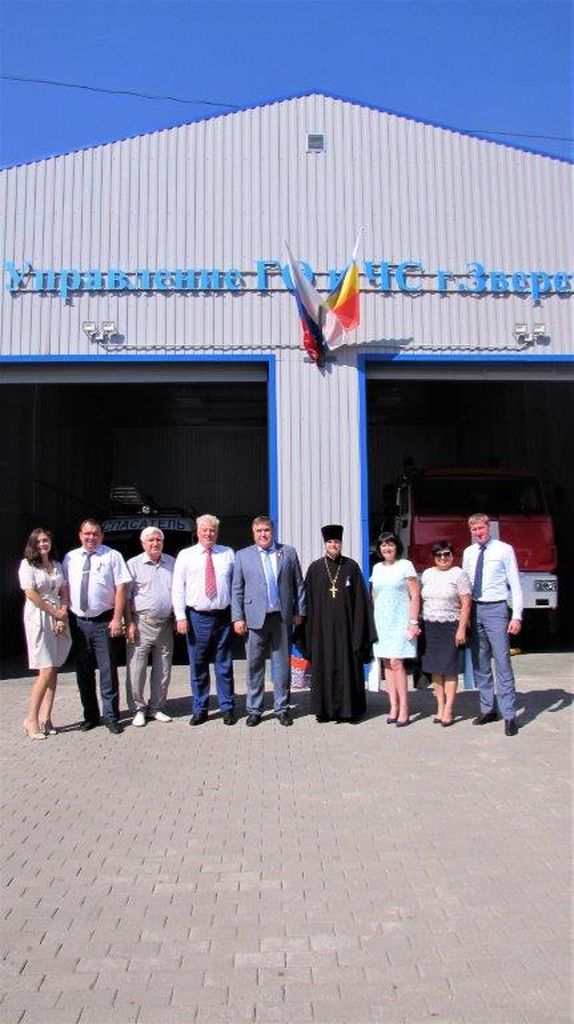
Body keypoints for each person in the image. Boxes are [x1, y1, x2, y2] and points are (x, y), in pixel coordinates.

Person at [232, 515, 305, 727]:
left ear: (272, 532)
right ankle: (254, 710)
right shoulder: (242, 556)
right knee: (254, 666)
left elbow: (298, 584)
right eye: (259, 531)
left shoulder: (288, 552)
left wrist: (300, 611)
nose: (263, 534)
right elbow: (237, 589)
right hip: (254, 620)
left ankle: (282, 708)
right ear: (253, 533)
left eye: (266, 530)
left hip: (281, 618)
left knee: (282, 666)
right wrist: (237, 617)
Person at [63, 518, 131, 735]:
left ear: (101, 536)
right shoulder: (70, 558)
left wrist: (117, 619)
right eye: (87, 533)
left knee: (107, 671)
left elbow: (121, 589)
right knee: (83, 672)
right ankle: (90, 716)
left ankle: (111, 716)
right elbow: (64, 588)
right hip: (78, 622)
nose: (91, 537)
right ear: (80, 535)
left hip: (104, 621)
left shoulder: (112, 556)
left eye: (95, 534)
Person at [305, 524, 376, 723]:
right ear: (325, 544)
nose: (333, 545)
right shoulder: (315, 568)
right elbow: (307, 602)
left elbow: (361, 601)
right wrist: (306, 627)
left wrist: (360, 630)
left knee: (348, 666)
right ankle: (324, 710)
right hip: (322, 631)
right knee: (324, 666)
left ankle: (350, 711)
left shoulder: (351, 567)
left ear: (341, 544)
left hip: (347, 630)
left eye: (336, 542)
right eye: (330, 542)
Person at [462, 513, 522, 736]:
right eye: (474, 529)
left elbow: (515, 583)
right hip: (475, 609)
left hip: (496, 608)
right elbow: (465, 584)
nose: (478, 532)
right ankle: (488, 709)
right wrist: (464, 616)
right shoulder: (469, 552)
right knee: (480, 662)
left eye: (481, 528)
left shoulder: (504, 550)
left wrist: (517, 615)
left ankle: (509, 715)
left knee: (502, 662)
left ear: (489, 527)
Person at [172, 514, 236, 726]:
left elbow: (236, 586)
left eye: (212, 530)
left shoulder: (227, 553)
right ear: (197, 532)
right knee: (198, 665)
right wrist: (180, 617)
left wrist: (237, 616)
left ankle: (227, 707)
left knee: (224, 665)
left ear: (217, 533)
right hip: (196, 617)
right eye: (205, 530)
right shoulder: (186, 555)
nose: (208, 534)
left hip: (223, 616)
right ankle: (200, 709)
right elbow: (177, 588)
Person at [18, 527, 71, 739]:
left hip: (58, 616)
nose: (42, 544)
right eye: (38, 541)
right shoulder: (27, 565)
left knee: (54, 668)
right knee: (46, 669)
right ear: (33, 544)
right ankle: (30, 719)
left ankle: (46, 718)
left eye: (45, 540)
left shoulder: (57, 565)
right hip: (38, 617)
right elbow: (31, 593)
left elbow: (64, 591)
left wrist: (62, 614)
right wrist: (54, 612)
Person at [125, 527, 175, 728]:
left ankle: (156, 707)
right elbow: (126, 596)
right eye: (151, 540)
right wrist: (129, 622)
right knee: (136, 669)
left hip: (165, 624)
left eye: (158, 540)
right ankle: (138, 708)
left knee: (163, 669)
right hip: (141, 623)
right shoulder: (133, 564)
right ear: (143, 543)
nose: (155, 543)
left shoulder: (171, 562)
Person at [370, 532, 420, 727]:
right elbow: (374, 596)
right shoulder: (377, 568)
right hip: (382, 621)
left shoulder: (405, 565)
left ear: (396, 546)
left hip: (400, 620)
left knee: (396, 662)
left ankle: (405, 708)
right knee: (387, 664)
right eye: (383, 545)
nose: (387, 548)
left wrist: (413, 622)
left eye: (390, 544)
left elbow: (415, 595)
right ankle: (393, 706)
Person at [420, 539, 472, 727]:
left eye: (446, 554)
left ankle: (449, 708)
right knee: (435, 669)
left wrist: (461, 629)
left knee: (450, 669)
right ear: (434, 557)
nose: (443, 558)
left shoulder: (459, 574)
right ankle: (440, 707)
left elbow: (466, 603)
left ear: (452, 555)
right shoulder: (427, 574)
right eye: (439, 555)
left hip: (451, 626)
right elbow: (421, 600)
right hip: (430, 626)